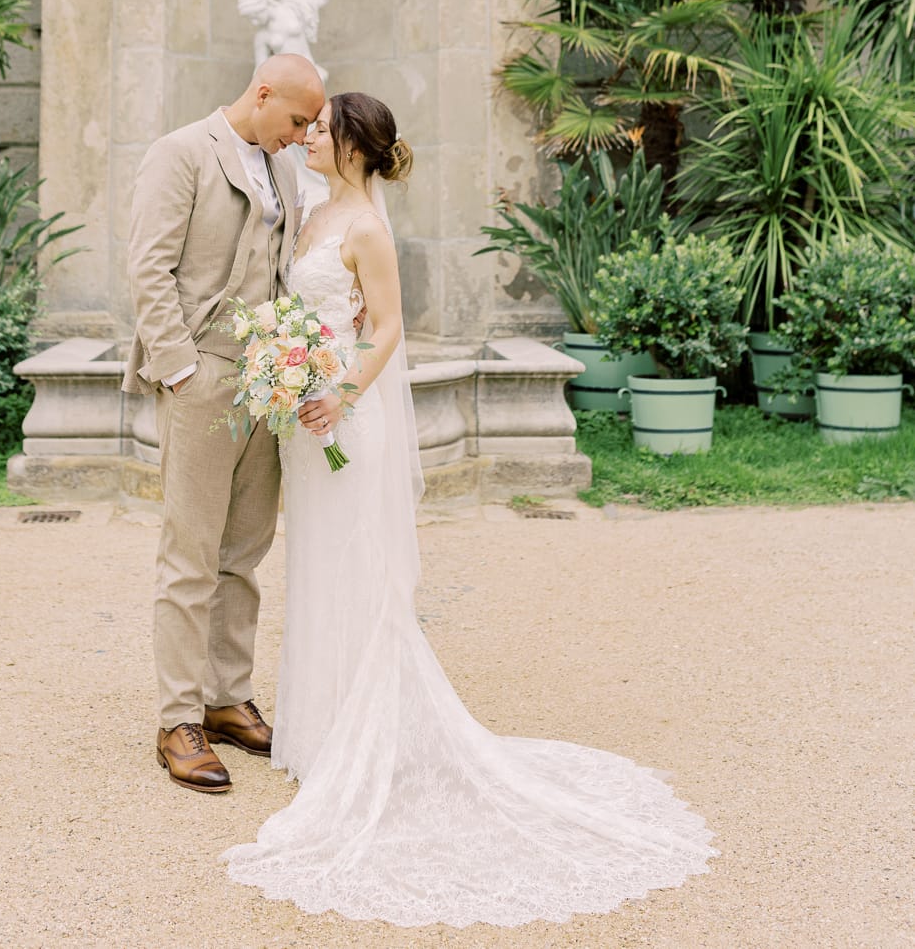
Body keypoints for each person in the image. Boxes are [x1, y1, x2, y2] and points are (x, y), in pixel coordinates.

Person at [223, 91, 714, 928]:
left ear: (351, 145)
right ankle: (322, 735)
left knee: (357, 568)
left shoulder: (367, 228)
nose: (307, 137)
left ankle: (365, 740)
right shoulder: (315, 209)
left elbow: (387, 330)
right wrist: (286, 366)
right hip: (308, 420)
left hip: (346, 413)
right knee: (316, 565)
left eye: (320, 129)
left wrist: (336, 390)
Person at [123, 55, 325, 794]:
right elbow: (149, 267)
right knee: (190, 554)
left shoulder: (288, 173)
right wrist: (179, 368)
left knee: (243, 550)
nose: (304, 137)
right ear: (263, 93)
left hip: (267, 381)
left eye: (311, 127)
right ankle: (178, 718)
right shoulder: (181, 152)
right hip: (202, 374)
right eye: (297, 120)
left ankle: (226, 697)